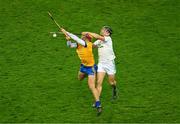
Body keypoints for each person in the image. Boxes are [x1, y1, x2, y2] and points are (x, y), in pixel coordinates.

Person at [60, 28, 102, 115]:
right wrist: (68, 40)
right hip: (83, 66)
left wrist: (66, 32)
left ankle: (98, 105)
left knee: (91, 86)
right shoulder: (79, 44)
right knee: (79, 78)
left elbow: (75, 38)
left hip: (91, 68)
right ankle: (87, 75)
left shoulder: (87, 44)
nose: (82, 36)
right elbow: (70, 45)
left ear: (87, 38)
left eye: (83, 36)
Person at [83, 26, 117, 99]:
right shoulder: (99, 41)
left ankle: (114, 88)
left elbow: (98, 36)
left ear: (107, 33)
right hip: (101, 64)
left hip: (109, 63)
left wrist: (88, 33)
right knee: (98, 83)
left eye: (103, 30)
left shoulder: (108, 39)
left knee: (111, 82)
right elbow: (91, 46)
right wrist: (86, 39)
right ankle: (97, 101)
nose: (101, 30)